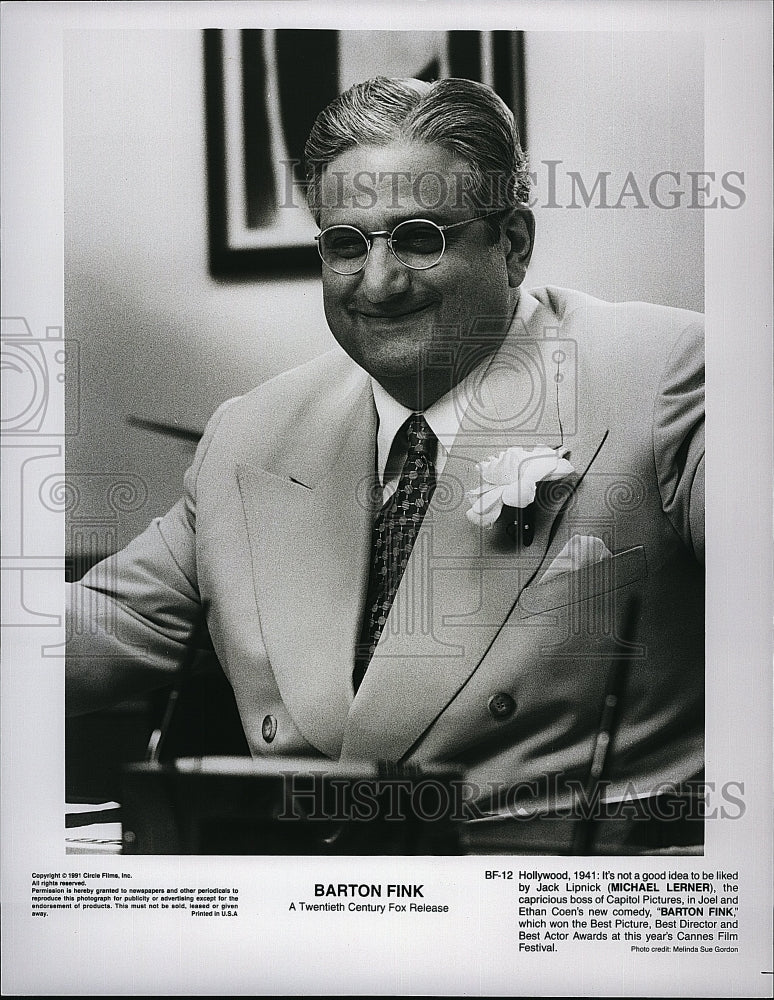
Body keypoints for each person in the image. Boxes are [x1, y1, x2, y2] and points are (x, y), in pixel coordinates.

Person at [67, 77, 704, 838]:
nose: (378, 281)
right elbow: (107, 623)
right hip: (311, 905)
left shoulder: (666, 374)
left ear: (515, 245)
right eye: (346, 244)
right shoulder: (255, 431)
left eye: (419, 237)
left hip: (555, 910)